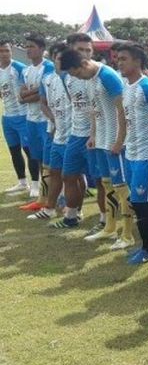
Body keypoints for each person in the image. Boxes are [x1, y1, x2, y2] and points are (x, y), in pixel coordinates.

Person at [61, 48, 132, 251]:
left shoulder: (108, 76)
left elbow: (122, 110)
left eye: (77, 73)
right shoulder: (88, 79)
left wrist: (119, 140)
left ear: (84, 64)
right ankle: (110, 227)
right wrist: (93, 135)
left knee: (121, 186)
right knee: (106, 183)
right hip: (100, 140)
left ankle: (127, 234)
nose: (78, 78)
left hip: (114, 141)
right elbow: (94, 109)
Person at [117, 42, 148, 264]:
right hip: (132, 153)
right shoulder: (126, 86)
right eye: (118, 59)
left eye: (124, 58)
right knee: (137, 201)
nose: (119, 62)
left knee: (141, 201)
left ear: (137, 61)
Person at [51, 33, 93, 229]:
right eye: (80, 50)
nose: (85, 54)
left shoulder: (97, 73)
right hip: (75, 134)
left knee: (101, 181)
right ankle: (72, 216)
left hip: (97, 135)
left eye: (88, 50)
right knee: (69, 175)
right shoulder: (67, 76)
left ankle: (104, 220)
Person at [29, 42, 71, 221]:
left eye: (64, 57)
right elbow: (43, 104)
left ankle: (73, 208)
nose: (60, 61)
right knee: (54, 171)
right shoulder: (47, 79)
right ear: (52, 58)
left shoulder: (73, 78)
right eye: (57, 57)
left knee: (73, 175)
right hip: (55, 132)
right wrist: (52, 119)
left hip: (73, 133)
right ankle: (50, 208)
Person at [19, 32, 54, 210]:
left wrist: (28, 95)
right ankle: (43, 195)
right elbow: (22, 93)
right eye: (27, 46)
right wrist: (28, 95)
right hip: (30, 119)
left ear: (41, 49)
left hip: (45, 119)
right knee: (38, 158)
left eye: (32, 46)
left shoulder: (48, 67)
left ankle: (56, 197)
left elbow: (42, 95)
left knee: (51, 161)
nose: (28, 50)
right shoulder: (26, 70)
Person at [0, 40, 32, 194]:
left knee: (29, 150)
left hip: (23, 116)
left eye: (7, 50)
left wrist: (24, 97)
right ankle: (22, 182)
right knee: (14, 150)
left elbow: (32, 87)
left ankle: (36, 185)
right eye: (1, 51)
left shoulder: (19, 68)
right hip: (7, 117)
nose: (5, 53)